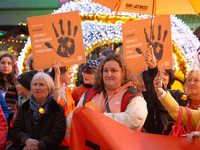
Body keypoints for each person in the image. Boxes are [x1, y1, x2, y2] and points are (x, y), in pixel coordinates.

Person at [67, 53, 147, 131]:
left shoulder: (132, 95)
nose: (108, 75)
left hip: (119, 144)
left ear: (123, 73)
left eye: (113, 70)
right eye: (105, 70)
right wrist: (84, 116)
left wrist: (96, 118)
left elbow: (135, 120)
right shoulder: (89, 95)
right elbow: (70, 120)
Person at [9, 72, 66, 150]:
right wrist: (26, 140)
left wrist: (38, 145)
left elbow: (57, 135)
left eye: (41, 85)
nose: (37, 88)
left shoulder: (57, 109)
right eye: (34, 84)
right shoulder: (24, 107)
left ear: (49, 88)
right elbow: (15, 131)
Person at [142, 46, 188, 134]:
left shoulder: (177, 94)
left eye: (166, 74)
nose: (161, 76)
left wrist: (152, 71)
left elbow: (158, 99)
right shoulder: (142, 95)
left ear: (170, 78)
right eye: (158, 72)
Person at [153, 69, 200, 144]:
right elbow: (178, 112)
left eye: (196, 80)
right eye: (189, 80)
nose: (191, 83)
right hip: (180, 144)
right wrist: (161, 92)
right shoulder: (180, 95)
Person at [51, 62, 75, 150]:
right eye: (69, 73)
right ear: (60, 74)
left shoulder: (69, 91)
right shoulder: (50, 91)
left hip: (68, 140)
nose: (71, 76)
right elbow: (55, 97)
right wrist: (57, 73)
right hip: (55, 140)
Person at [0, 53, 19, 128]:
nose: (6, 66)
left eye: (9, 63)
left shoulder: (17, 83)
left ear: (13, 66)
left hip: (12, 121)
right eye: (3, 63)